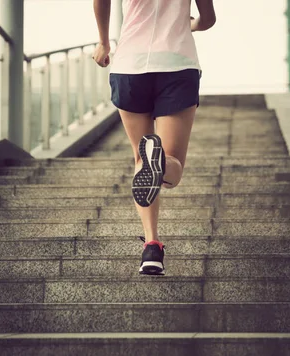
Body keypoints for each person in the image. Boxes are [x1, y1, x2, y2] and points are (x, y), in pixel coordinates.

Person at [93, 0, 216, 275]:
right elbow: (208, 19)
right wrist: (189, 24)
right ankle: (159, 162)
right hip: (176, 64)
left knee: (141, 158)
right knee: (171, 169)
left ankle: (151, 245)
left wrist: (103, 42)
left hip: (129, 66)